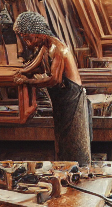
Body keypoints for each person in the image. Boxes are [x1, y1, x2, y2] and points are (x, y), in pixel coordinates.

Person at [12, 11, 92, 166]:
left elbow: (54, 79)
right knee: (62, 139)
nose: (28, 43)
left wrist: (28, 81)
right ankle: (65, 172)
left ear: (39, 33)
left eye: (28, 38)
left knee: (74, 140)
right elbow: (35, 65)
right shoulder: (44, 45)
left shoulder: (57, 48)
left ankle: (79, 176)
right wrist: (22, 72)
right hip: (62, 98)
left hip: (72, 97)